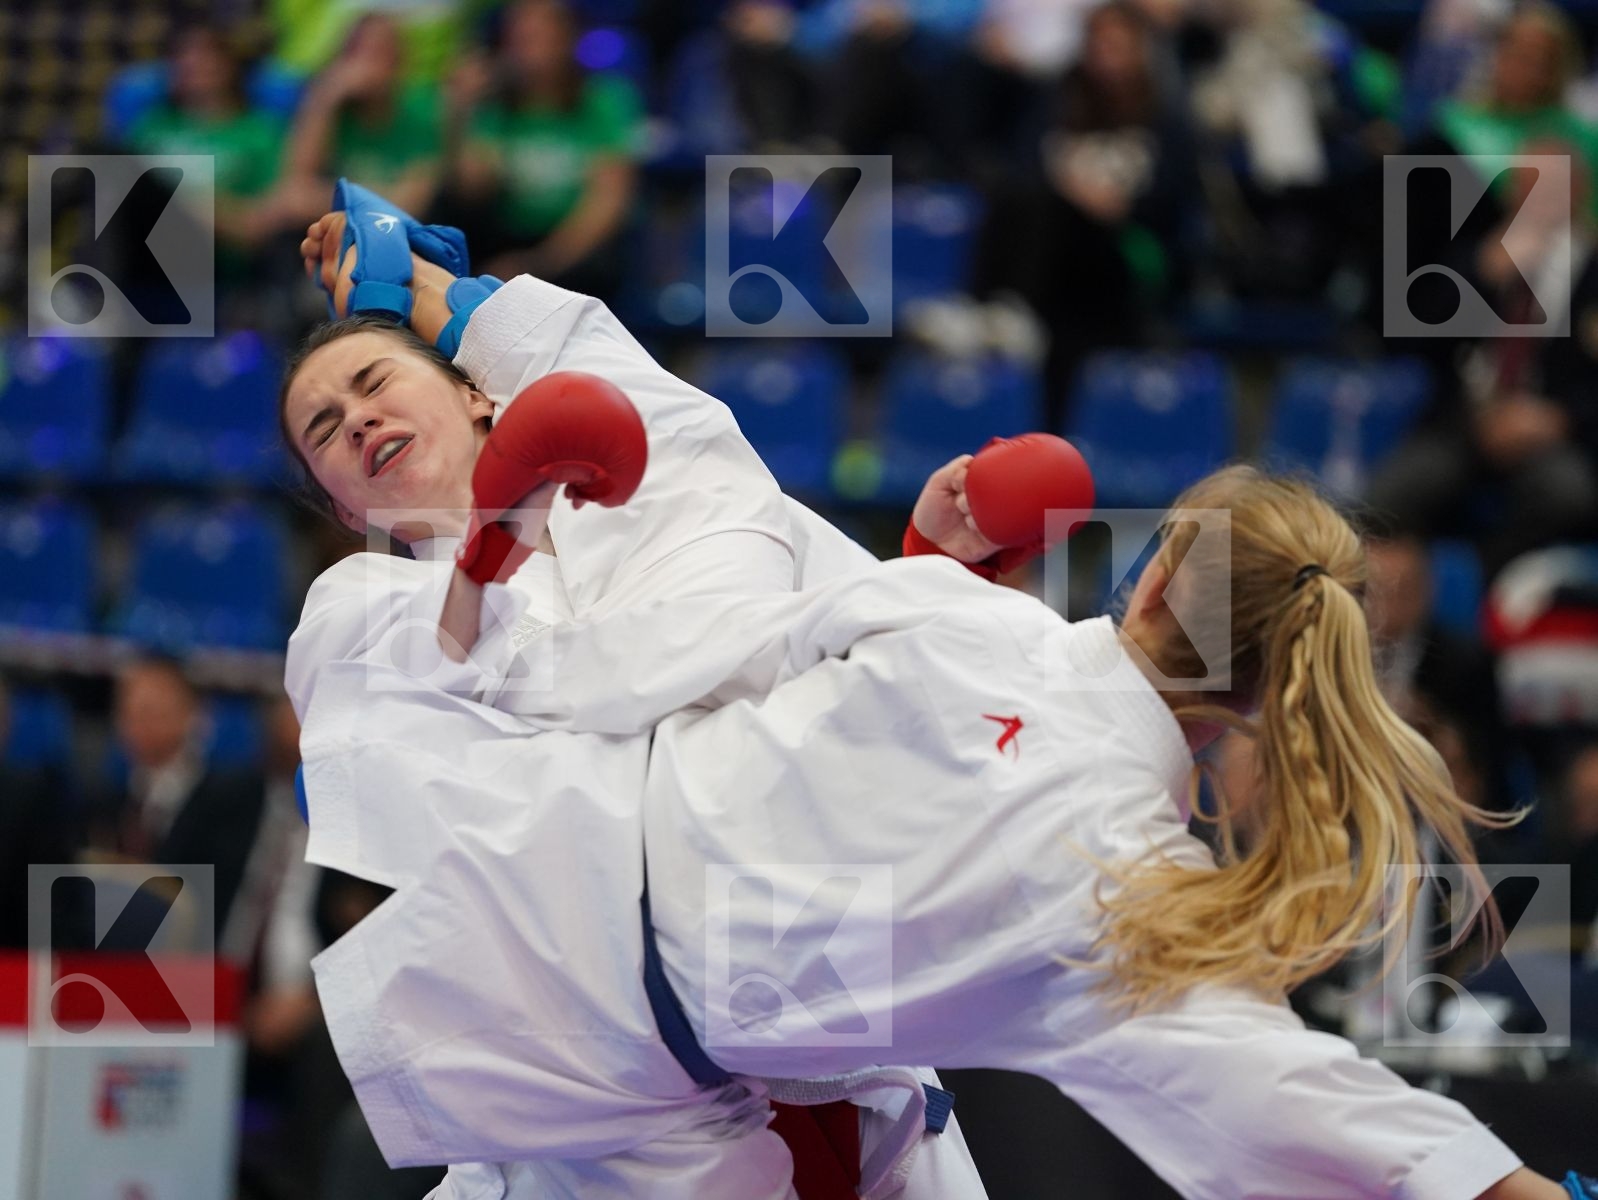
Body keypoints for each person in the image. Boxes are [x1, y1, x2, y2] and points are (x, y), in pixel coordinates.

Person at [283, 207, 1582, 1200]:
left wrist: (449, 331)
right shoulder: (1123, 883)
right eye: (322, 426)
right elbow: (1297, 1104)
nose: (354, 422)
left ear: (1150, 567)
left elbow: (701, 536)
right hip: (613, 1003)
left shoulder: (975, 640)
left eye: (368, 391)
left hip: (617, 1021)